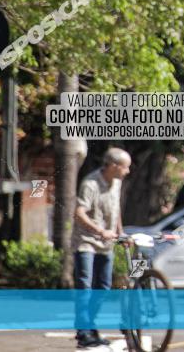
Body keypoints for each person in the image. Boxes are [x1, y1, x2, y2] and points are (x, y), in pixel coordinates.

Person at [72, 147, 131, 348]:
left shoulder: (117, 183)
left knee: (103, 288)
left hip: (106, 244)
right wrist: (100, 231)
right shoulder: (90, 183)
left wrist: (120, 232)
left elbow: (116, 210)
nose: (128, 171)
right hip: (86, 242)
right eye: (125, 167)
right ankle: (83, 332)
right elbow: (79, 213)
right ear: (113, 166)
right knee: (85, 287)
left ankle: (90, 327)